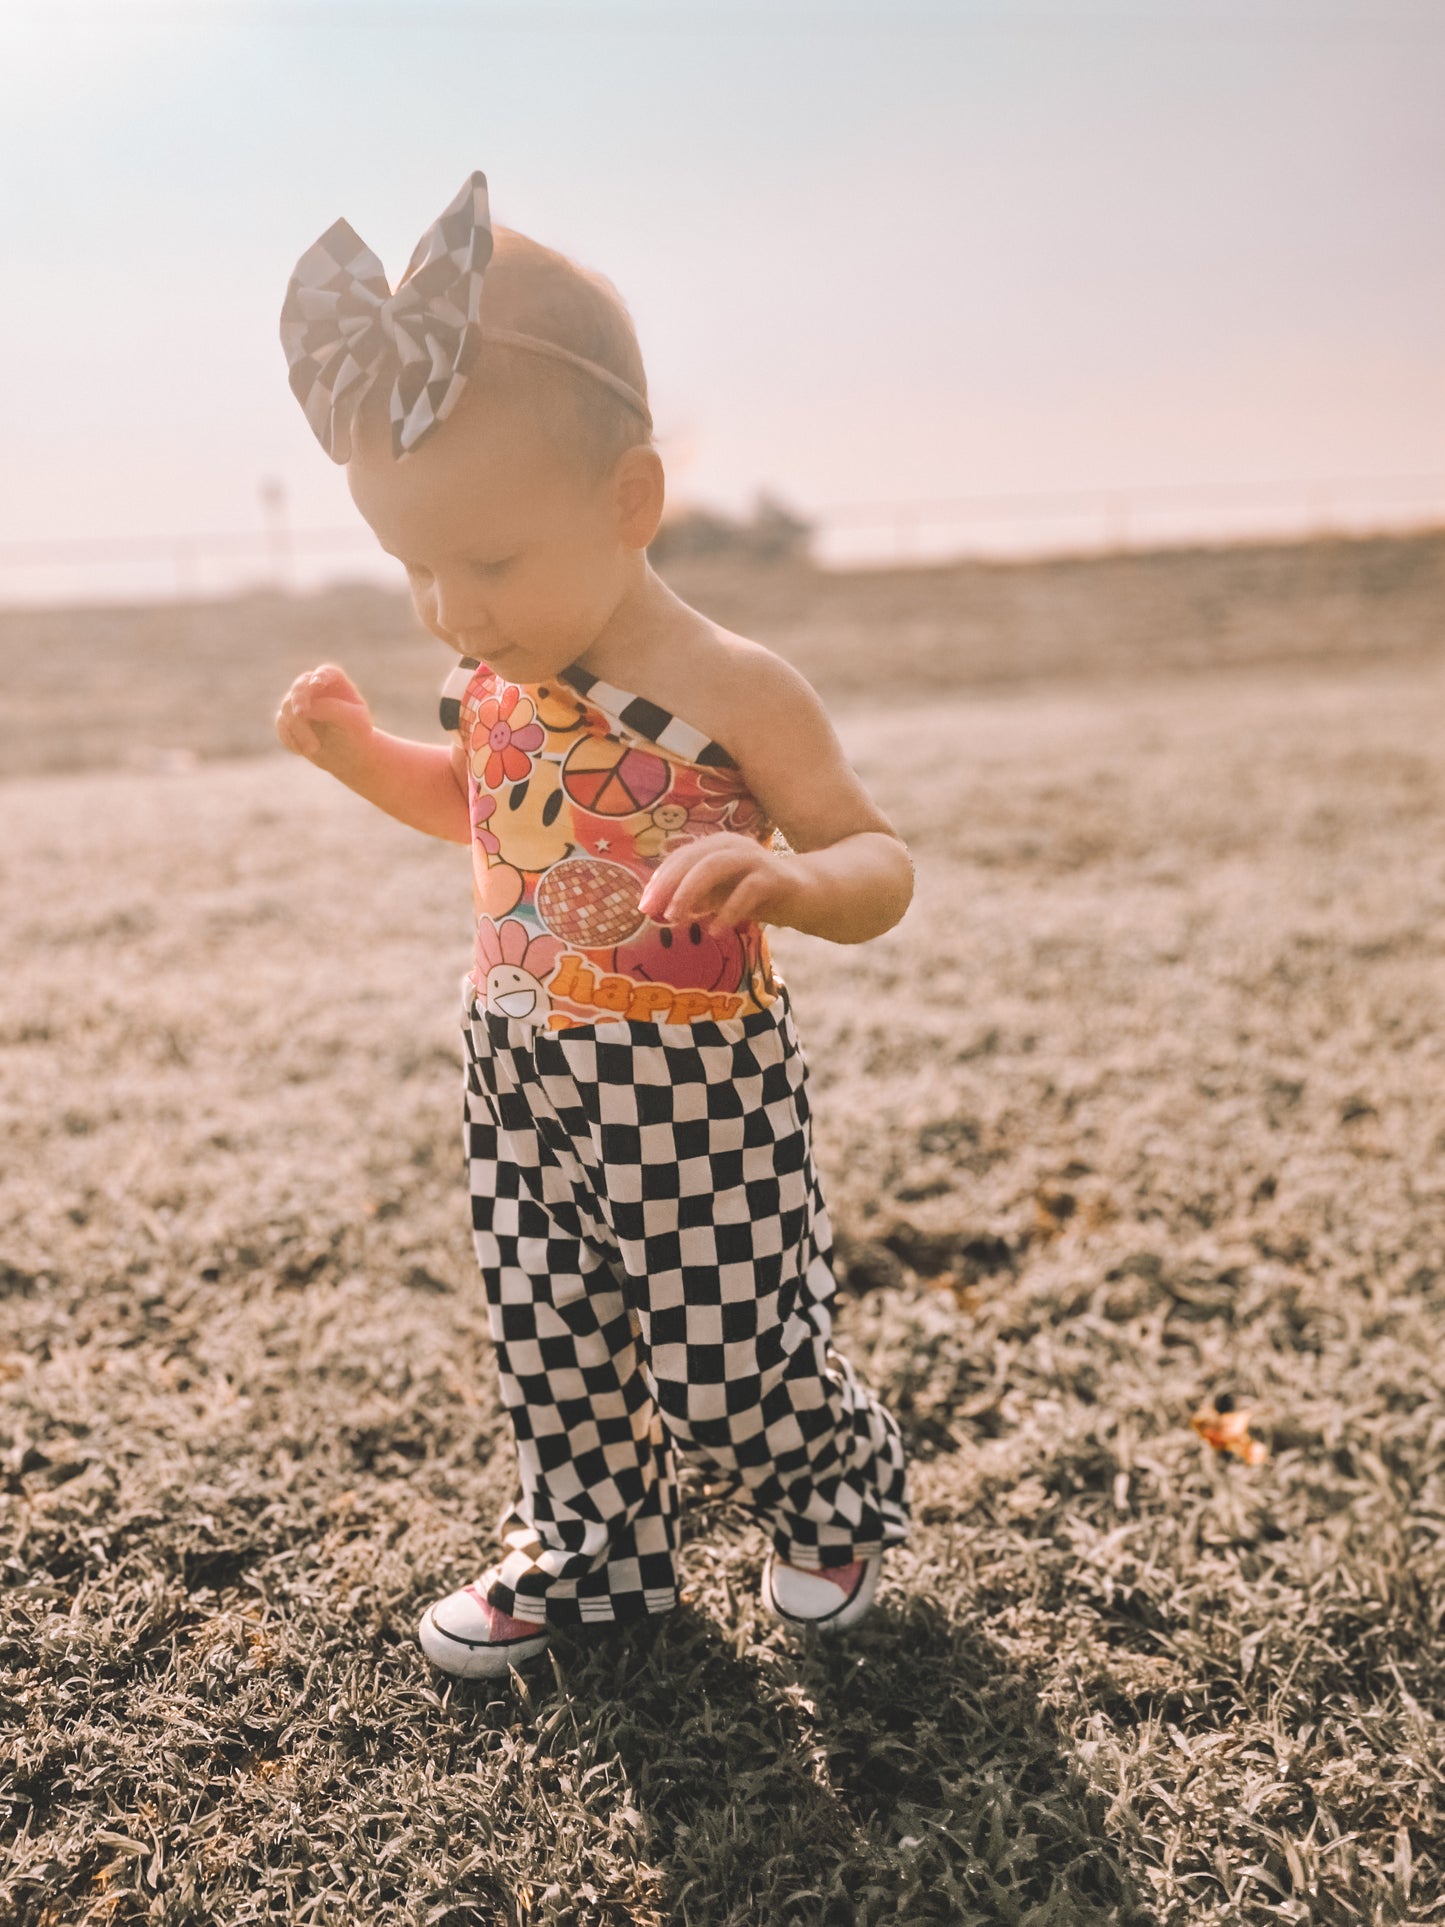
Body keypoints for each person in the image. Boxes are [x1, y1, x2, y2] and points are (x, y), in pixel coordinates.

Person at [275, 173, 912, 1678]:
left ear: (630, 502)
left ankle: (828, 1498)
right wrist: (369, 761)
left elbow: (875, 856)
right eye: (411, 564)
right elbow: (489, 815)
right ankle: (590, 1557)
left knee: (721, 1353)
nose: (446, 606)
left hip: (693, 1081)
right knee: (549, 1339)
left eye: (484, 562)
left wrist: (794, 886)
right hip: (514, 1062)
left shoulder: (735, 687)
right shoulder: (494, 676)